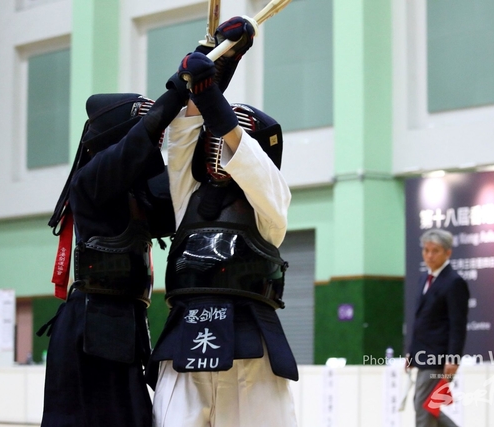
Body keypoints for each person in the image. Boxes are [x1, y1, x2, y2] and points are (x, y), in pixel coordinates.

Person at [148, 37, 298, 427]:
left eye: (230, 142)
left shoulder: (271, 202)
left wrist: (217, 108)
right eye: (214, 139)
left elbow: (255, 170)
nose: (221, 148)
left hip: (251, 340)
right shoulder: (186, 195)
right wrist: (213, 63)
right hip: (186, 332)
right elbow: (182, 138)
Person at [37, 78, 190, 426]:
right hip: (90, 326)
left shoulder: (137, 194)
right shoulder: (92, 179)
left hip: (122, 323)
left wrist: (207, 91)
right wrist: (178, 91)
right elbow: (136, 146)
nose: (154, 141)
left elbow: (182, 186)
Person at [406, 229, 469, 427]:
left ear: (448, 252)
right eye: (426, 250)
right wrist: (412, 353)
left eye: (435, 251)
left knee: (424, 406)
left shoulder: (454, 282)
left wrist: (453, 358)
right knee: (426, 406)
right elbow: (421, 321)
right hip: (423, 354)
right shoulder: (424, 278)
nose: (429, 255)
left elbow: (457, 324)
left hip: (439, 357)